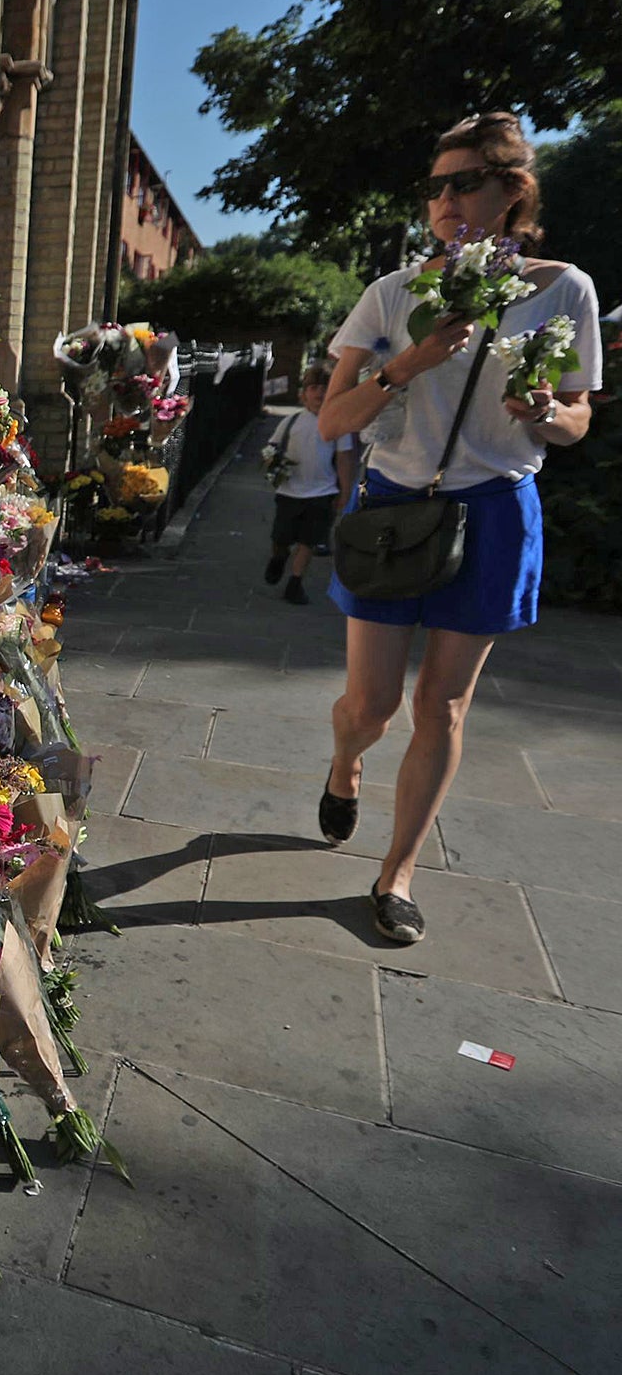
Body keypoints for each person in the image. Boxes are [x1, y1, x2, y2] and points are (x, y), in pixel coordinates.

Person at [318, 111, 601, 944]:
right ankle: (346, 762)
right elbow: (335, 418)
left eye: (464, 181)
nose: (444, 199)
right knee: (370, 705)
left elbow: (580, 417)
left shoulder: (563, 289)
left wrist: (549, 412)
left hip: (494, 508)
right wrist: (403, 367)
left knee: (440, 705)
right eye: (435, 186)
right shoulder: (394, 292)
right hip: (394, 509)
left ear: (512, 190)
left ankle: (397, 870)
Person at [263, 364, 356, 605]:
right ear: (303, 394)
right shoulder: (291, 422)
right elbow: (271, 449)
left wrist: (345, 491)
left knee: (309, 541)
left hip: (322, 492)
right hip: (289, 491)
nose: (319, 393)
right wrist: (272, 465)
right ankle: (278, 557)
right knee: (280, 538)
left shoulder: (337, 424)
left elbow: (345, 459)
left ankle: (295, 583)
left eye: (325, 388)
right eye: (314, 388)